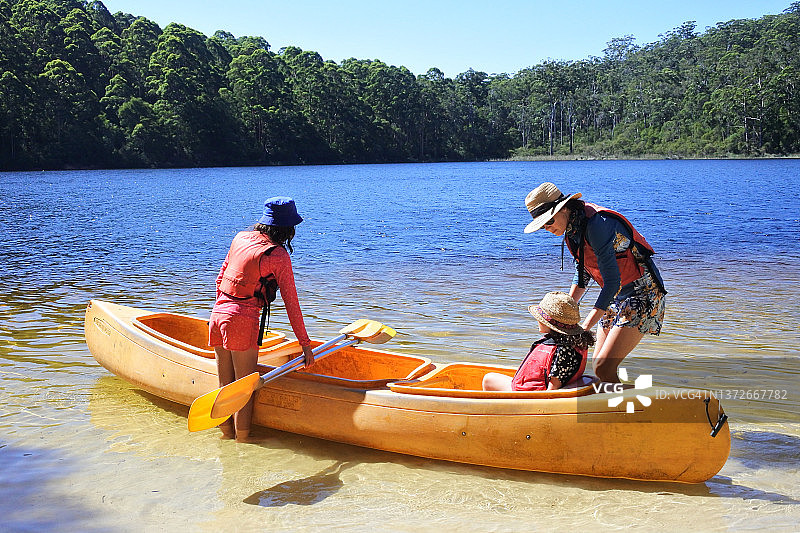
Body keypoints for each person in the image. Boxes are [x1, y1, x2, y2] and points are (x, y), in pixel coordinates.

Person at [522, 182, 667, 383]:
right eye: (543, 226)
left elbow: (612, 282)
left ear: (564, 208)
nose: (548, 228)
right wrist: (562, 319)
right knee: (599, 369)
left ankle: (633, 409)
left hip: (642, 294)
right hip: (615, 298)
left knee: (605, 367)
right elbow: (581, 277)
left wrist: (581, 329)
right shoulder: (572, 231)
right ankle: (613, 409)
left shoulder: (597, 224)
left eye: (549, 221)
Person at [208, 197, 314, 442]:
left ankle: (226, 440)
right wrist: (305, 345)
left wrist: (222, 312)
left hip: (217, 315)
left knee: (225, 387)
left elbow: (220, 278)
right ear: (288, 228)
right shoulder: (277, 255)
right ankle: (243, 443)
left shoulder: (240, 238)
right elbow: (292, 303)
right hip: (242, 320)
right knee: (243, 391)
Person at [483, 291, 592, 391]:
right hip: (533, 391)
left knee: (488, 379)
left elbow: (553, 390)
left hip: (530, 396)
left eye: (540, 318)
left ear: (550, 323)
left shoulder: (563, 351)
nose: (537, 320)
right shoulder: (572, 343)